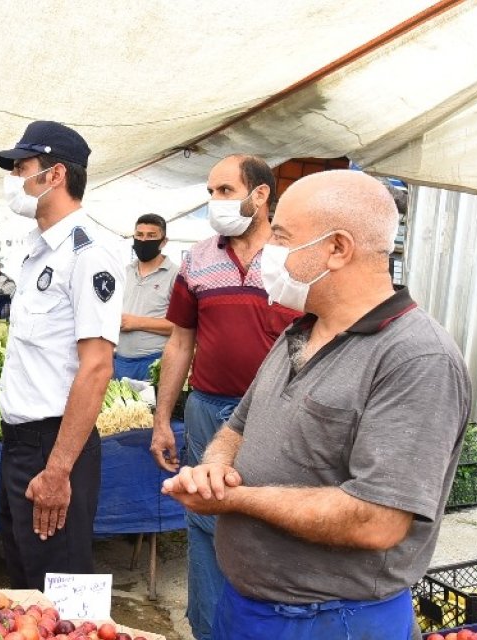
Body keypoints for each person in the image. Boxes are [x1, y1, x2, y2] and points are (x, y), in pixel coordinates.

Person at [162, 170, 470, 639]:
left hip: (331, 620)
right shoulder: (300, 329)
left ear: (338, 248)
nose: (268, 251)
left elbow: (377, 520)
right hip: (249, 606)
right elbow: (238, 426)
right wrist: (215, 468)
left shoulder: (417, 358)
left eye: (281, 236)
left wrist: (235, 500)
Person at [148, 154, 301, 640]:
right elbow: (179, 342)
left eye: (225, 191)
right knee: (204, 518)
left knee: (274, 520)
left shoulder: (294, 260)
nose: (215, 202)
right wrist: (160, 420)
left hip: (279, 415)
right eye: (211, 192)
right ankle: (209, 629)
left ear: (260, 195)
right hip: (208, 409)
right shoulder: (197, 259)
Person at [0, 120, 124, 589]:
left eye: (21, 167)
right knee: (26, 581)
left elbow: (97, 366)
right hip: (21, 443)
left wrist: (58, 469)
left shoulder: (88, 254)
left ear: (55, 174)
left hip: (54, 446)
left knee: (60, 593)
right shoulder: (38, 253)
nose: (13, 179)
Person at [113, 214, 178, 381]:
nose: (143, 241)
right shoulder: (124, 272)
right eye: (139, 235)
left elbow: (183, 326)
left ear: (163, 241)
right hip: (119, 360)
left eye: (151, 236)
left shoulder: (176, 275)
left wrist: (136, 322)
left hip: (154, 362)